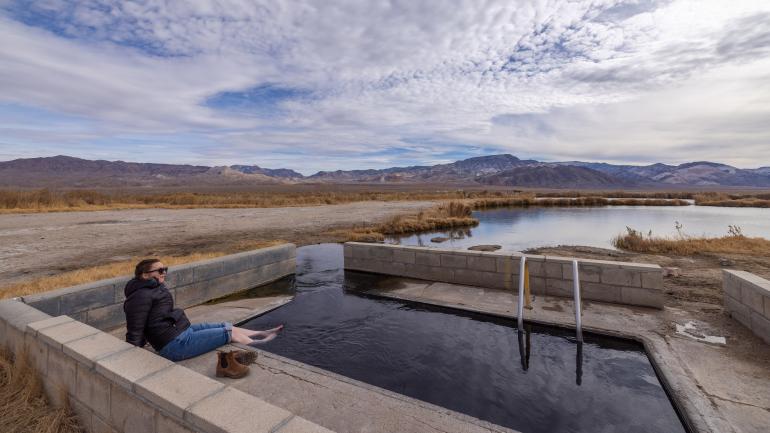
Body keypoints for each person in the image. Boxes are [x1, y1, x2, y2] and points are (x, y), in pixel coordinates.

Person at [123, 258, 283, 365]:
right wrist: (133, 350)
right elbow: (136, 326)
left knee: (226, 326)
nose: (164, 272)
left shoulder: (154, 287)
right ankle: (261, 349)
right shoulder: (140, 296)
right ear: (145, 275)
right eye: (159, 270)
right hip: (173, 345)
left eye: (165, 269)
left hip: (180, 332)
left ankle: (260, 334)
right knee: (230, 334)